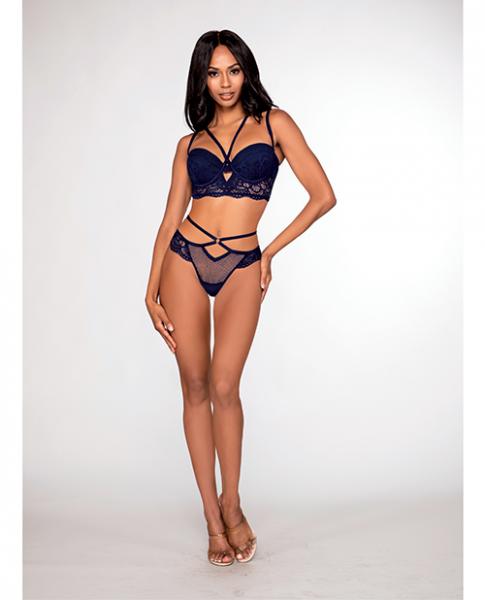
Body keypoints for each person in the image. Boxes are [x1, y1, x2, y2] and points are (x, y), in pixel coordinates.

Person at [145, 29, 337, 566]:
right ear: (201, 80)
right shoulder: (189, 145)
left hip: (242, 264)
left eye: (233, 70)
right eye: (214, 73)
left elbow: (323, 195)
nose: (225, 83)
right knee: (194, 385)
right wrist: (149, 289)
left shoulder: (275, 124)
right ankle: (212, 519)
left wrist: (269, 251)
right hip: (184, 259)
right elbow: (169, 220)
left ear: (246, 71)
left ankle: (232, 503)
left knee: (225, 385)